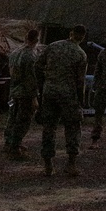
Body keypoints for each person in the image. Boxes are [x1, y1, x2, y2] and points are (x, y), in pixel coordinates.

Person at [38, 25, 88, 176]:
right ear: (82, 37)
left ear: (70, 33)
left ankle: (48, 165)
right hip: (68, 94)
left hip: (49, 92)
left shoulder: (52, 46)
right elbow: (80, 82)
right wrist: (81, 100)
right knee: (72, 126)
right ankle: (71, 163)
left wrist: (44, 84)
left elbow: (38, 65)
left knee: (49, 127)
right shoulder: (80, 54)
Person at [4, 28, 40, 160]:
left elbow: (11, 71)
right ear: (36, 40)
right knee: (23, 120)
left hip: (14, 90)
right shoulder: (30, 56)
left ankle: (9, 141)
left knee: (12, 118)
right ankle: (15, 147)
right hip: (25, 93)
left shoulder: (15, 52)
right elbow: (31, 79)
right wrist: (34, 97)